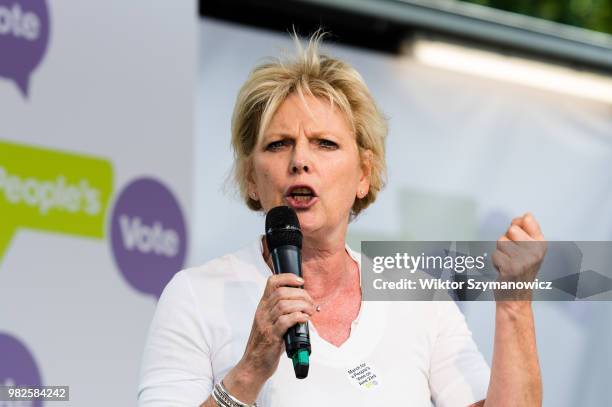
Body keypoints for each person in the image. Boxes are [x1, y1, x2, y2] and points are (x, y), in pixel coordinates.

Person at [137, 31, 546, 407]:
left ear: (364, 175)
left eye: (325, 144)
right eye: (279, 144)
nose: (300, 161)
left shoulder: (419, 299)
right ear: (250, 178)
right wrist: (249, 371)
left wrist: (514, 304)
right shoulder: (197, 295)